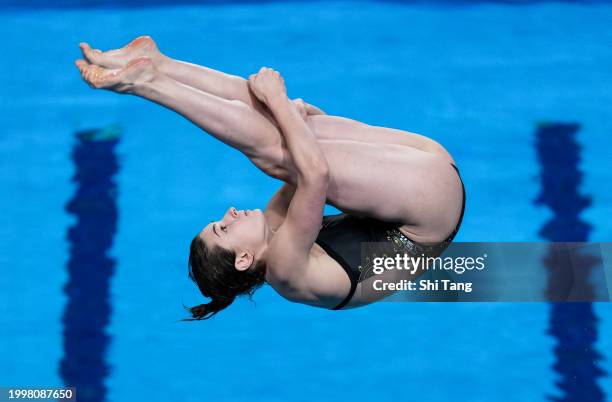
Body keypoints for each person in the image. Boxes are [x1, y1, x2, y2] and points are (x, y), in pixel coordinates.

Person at [75, 36, 466, 319]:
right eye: (223, 228)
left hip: (429, 178)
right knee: (278, 153)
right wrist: (279, 102)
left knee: (289, 136)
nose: (228, 212)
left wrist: (294, 115)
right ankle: (149, 82)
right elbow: (314, 174)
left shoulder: (277, 233)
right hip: (429, 205)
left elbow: (310, 157)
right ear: (245, 259)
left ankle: (158, 65)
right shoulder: (286, 271)